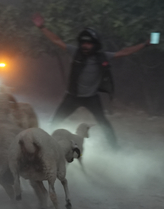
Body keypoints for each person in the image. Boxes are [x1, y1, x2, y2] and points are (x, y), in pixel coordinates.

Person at [33, 12, 149, 149]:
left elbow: (125, 52)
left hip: (91, 98)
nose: (85, 46)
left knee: (104, 123)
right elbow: (57, 40)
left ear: (95, 44)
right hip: (72, 96)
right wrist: (42, 27)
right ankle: (46, 147)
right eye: (83, 43)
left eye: (89, 43)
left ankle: (115, 149)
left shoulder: (102, 56)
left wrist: (145, 44)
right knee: (56, 121)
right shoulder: (75, 51)